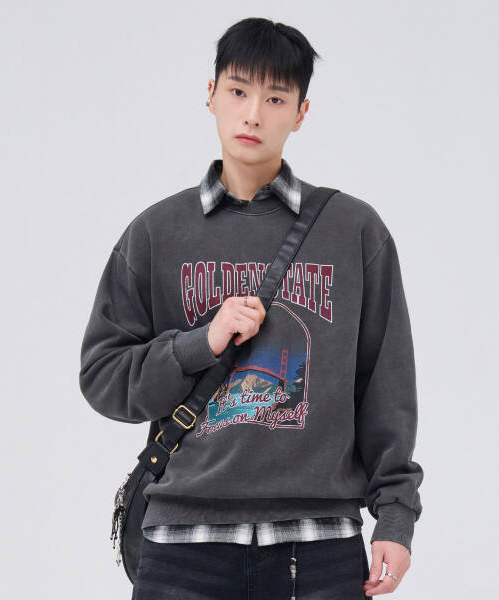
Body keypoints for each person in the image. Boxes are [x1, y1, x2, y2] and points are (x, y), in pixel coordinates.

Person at [79, 16, 423, 600]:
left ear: (301, 113)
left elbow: (385, 388)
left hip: (318, 545)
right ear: (210, 94)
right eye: (238, 91)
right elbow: (103, 378)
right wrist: (199, 344)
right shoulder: (157, 233)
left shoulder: (353, 231)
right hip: (185, 547)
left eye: (275, 98)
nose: (253, 115)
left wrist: (395, 516)